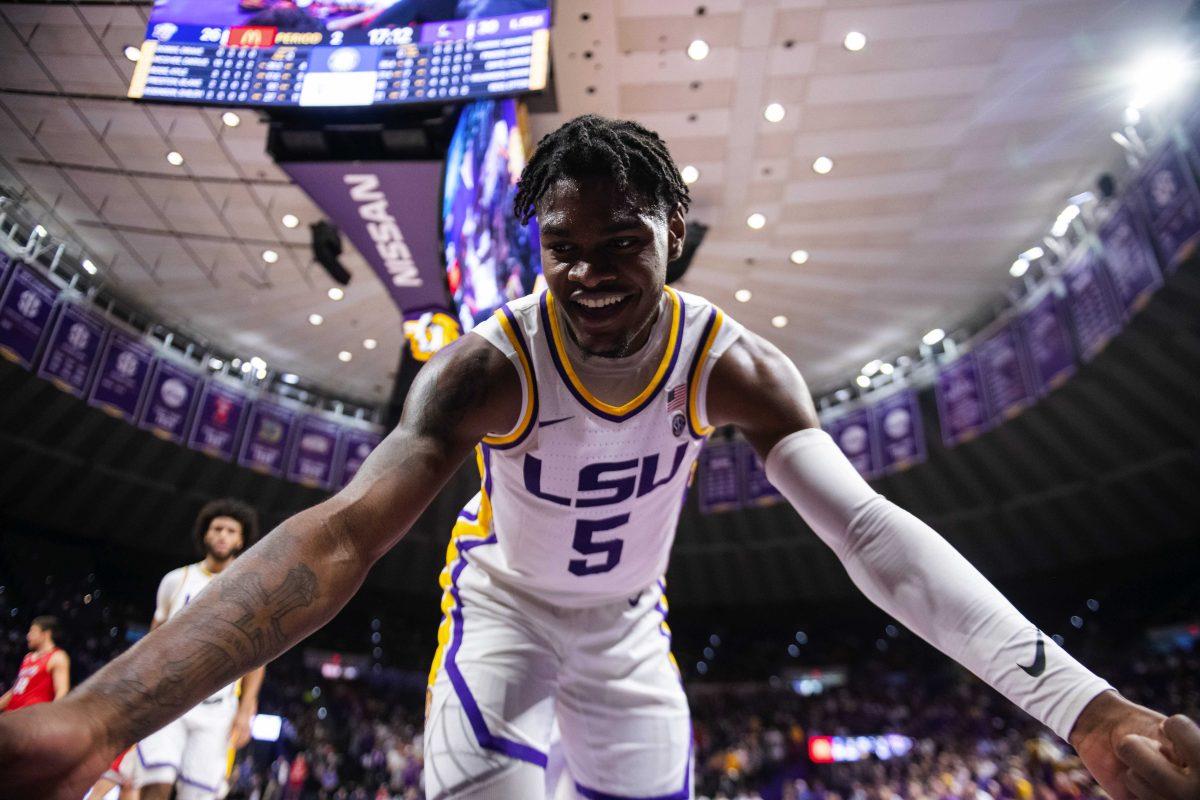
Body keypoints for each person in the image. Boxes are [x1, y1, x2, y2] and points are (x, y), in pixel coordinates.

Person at [0, 115, 1192, 800]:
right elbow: (342, 534)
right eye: (563, 245)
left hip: (629, 623)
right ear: (537, 244)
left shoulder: (736, 363)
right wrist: (98, 718)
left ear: (677, 232)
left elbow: (872, 536)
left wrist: (1079, 705)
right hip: (505, 612)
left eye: (624, 240)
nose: (592, 271)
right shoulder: (486, 364)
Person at [122, 499, 267, 800]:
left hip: (217, 709)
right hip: (169, 698)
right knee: (156, 783)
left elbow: (258, 657)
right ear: (205, 535)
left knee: (197, 795)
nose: (223, 535)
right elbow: (152, 643)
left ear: (241, 540)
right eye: (217, 528)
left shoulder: (253, 591)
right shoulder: (176, 580)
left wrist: (246, 710)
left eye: (231, 530)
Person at [0, 616, 69, 712]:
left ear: (46, 634)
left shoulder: (57, 657)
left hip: (33, 720)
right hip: (13, 716)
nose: (28, 636)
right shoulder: (27, 657)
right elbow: (15, 690)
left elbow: (62, 693)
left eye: (32, 632)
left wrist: (51, 717)